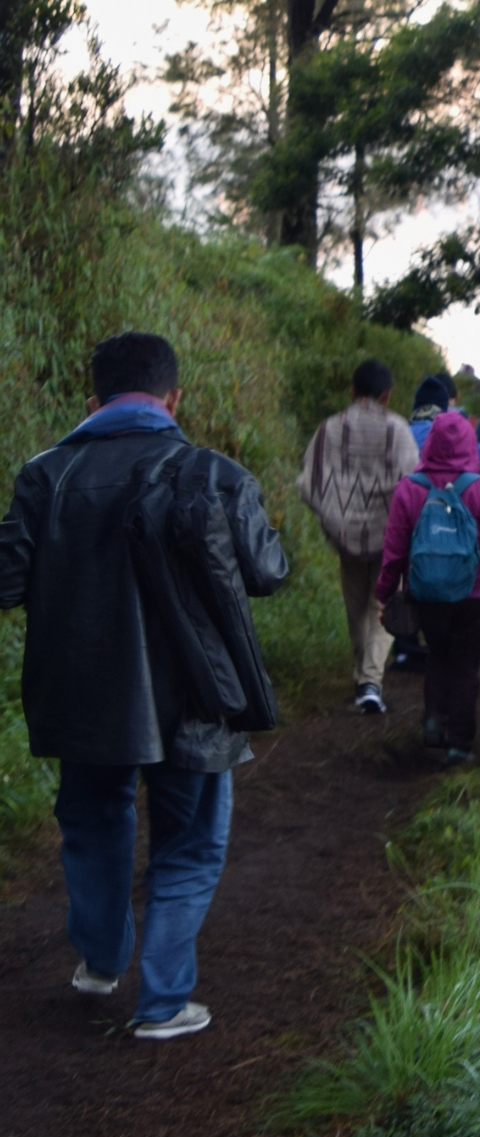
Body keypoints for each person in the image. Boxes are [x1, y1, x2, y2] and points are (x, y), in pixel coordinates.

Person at [0, 332, 287, 1039]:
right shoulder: (214, 472)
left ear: (92, 402)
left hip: (85, 695)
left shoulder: (46, 475)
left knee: (94, 829)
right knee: (188, 843)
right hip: (198, 696)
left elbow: (7, 581)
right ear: (174, 396)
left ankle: (101, 964)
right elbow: (268, 572)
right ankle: (162, 1004)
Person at [376, 412, 480, 764]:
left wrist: (384, 595)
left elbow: (394, 551)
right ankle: (460, 744)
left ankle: (434, 722)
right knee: (466, 665)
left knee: (438, 654)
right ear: (470, 445)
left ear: (430, 443)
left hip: (427, 590)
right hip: (479, 590)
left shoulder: (410, 488)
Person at [297, 359, 417, 713]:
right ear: (387, 395)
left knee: (356, 607)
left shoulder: (329, 429)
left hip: (345, 535)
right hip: (388, 538)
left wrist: (335, 519)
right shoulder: (398, 430)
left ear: (352, 390)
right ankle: (370, 681)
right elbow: (411, 484)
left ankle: (362, 674)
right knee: (384, 604)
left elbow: (309, 484)